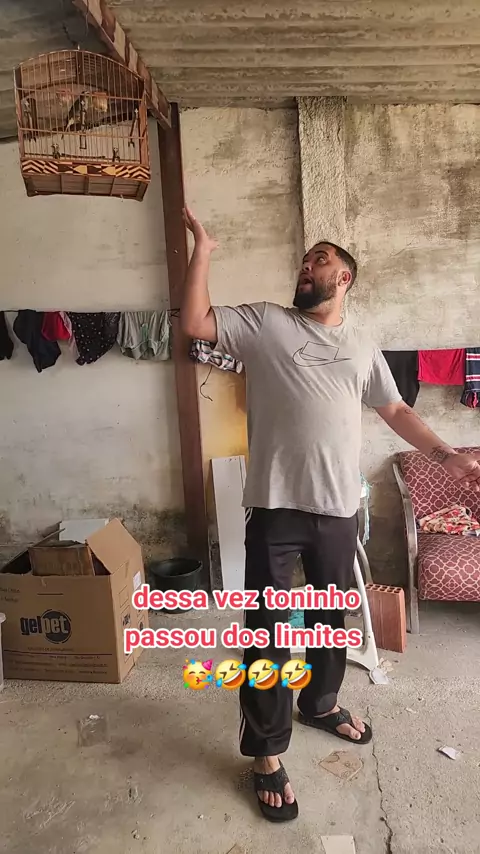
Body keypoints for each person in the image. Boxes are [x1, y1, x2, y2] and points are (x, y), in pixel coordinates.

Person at [180, 207, 480, 823]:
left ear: (343, 278)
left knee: (330, 620)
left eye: (319, 259)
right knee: (267, 631)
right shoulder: (265, 323)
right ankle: (265, 752)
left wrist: (445, 454)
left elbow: (396, 411)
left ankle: (319, 703)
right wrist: (202, 250)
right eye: (303, 259)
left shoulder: (362, 346)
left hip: (340, 508)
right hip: (275, 508)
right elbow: (194, 322)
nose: (306, 265)